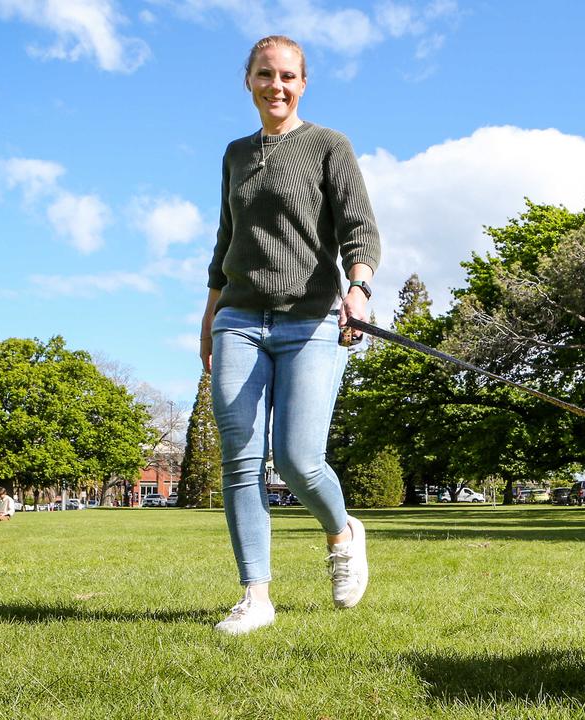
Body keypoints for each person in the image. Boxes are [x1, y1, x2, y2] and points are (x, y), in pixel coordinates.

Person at [200, 35, 381, 635]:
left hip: (310, 319)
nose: (276, 85)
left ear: (303, 84)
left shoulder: (328, 145)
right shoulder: (233, 154)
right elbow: (226, 239)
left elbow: (358, 224)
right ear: (247, 80)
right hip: (239, 318)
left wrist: (357, 288)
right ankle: (256, 596)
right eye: (264, 74)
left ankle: (342, 530)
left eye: (288, 77)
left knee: (300, 460)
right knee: (241, 462)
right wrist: (210, 313)